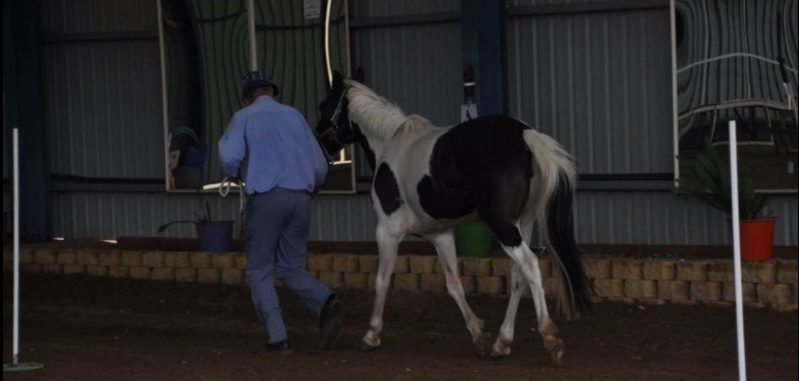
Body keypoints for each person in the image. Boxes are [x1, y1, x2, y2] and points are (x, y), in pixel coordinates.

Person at [219, 70, 341, 354]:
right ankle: (325, 301)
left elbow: (229, 157)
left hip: (266, 199)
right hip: (300, 200)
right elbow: (320, 167)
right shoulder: (295, 116)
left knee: (259, 269)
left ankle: (278, 337)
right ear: (272, 91)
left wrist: (236, 172)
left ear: (248, 96)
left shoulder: (244, 117)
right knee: (290, 266)